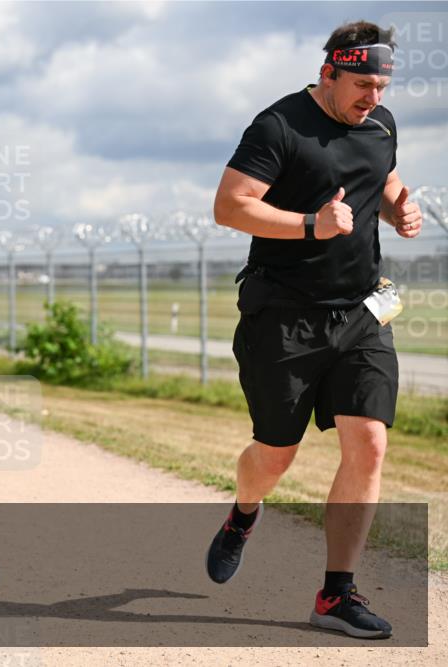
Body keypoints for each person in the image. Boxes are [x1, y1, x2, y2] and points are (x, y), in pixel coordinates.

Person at [209, 22, 423, 639]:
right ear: (329, 72)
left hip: (362, 313)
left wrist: (399, 207)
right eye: (361, 85)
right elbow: (230, 205)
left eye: (382, 87)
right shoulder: (279, 125)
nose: (373, 98)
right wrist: (311, 225)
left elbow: (382, 178)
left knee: (370, 444)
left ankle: (335, 595)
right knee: (275, 454)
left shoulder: (381, 124)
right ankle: (243, 513)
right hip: (283, 316)